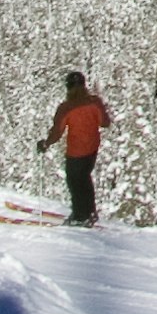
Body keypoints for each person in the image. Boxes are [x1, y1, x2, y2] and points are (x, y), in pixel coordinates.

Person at [38, 70, 111, 224]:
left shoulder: (66, 107)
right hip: (92, 148)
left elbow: (57, 132)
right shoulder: (94, 102)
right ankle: (90, 212)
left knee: (75, 182)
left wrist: (46, 143)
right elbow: (105, 122)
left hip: (76, 151)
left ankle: (80, 216)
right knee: (85, 179)